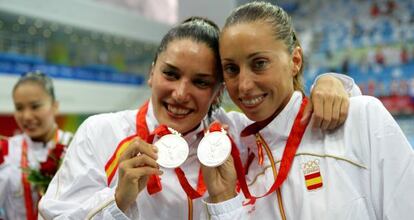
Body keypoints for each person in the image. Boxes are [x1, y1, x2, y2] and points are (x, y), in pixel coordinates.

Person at [38, 17, 359, 219]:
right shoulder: (101, 133)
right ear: (152, 72)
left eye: (201, 82)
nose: (180, 93)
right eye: (171, 74)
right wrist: (116, 202)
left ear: (218, 89)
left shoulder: (239, 137)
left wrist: (331, 83)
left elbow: (296, 128)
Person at [201, 2, 414, 219]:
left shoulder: (361, 119)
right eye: (231, 69)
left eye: (259, 63)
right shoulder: (238, 164)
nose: (244, 85)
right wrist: (225, 203)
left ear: (295, 61)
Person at [0, 71, 73, 220]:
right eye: (19, 108)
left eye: (35, 106)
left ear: (55, 106)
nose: (26, 116)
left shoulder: (75, 145)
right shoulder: (6, 151)